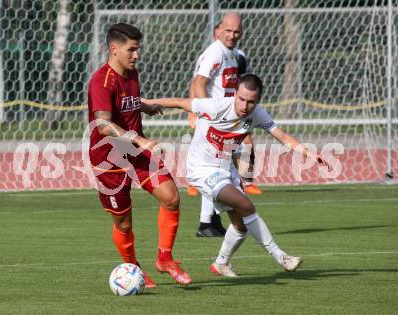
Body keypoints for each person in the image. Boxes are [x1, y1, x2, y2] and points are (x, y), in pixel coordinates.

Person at [142, 73, 329, 276]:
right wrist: (149, 103)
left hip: (226, 169)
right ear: (235, 94)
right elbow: (179, 102)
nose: (245, 105)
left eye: (251, 101)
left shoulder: (257, 114)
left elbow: (282, 137)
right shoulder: (216, 106)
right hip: (202, 170)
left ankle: (220, 263)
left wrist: (310, 153)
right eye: (241, 99)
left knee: (240, 226)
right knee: (246, 205)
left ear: (257, 101)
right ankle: (281, 257)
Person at [87, 23, 192, 287]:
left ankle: (165, 259)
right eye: (131, 50)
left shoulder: (132, 74)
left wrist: (145, 106)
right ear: (114, 49)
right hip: (109, 160)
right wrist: (139, 139)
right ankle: (133, 268)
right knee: (123, 223)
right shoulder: (101, 81)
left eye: (138, 49)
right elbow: (103, 125)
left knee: (171, 197)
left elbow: (126, 101)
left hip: (136, 154)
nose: (136, 55)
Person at [189, 13, 262, 238]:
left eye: (236, 31)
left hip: (226, 123)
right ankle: (218, 222)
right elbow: (198, 82)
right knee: (221, 173)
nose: (232, 35)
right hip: (216, 123)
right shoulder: (215, 52)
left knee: (219, 173)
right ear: (219, 30)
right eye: (228, 31)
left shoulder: (231, 54)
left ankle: (210, 222)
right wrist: (205, 114)